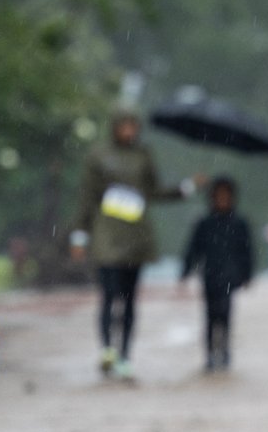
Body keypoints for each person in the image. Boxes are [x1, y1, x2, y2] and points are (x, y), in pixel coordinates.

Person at [71, 107, 202, 380]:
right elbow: (87, 197)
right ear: (115, 126)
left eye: (134, 126)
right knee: (109, 295)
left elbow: (154, 191)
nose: (129, 131)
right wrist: (79, 235)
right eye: (125, 125)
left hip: (136, 238)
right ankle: (107, 349)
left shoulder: (143, 155)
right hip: (107, 235)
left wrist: (187, 187)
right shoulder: (98, 156)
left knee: (130, 300)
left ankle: (125, 355)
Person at [180, 176, 254, 372]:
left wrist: (247, 275)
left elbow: (247, 251)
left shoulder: (239, 223)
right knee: (210, 316)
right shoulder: (205, 223)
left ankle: (224, 351)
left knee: (225, 314)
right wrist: (185, 271)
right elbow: (193, 249)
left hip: (230, 276)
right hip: (210, 275)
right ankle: (211, 353)